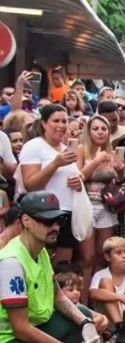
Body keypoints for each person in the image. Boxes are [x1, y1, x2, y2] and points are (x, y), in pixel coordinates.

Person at [0, 192, 108, 343]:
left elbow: (58, 297)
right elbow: (21, 329)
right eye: (46, 221)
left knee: (82, 314)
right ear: (26, 221)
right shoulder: (12, 263)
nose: (55, 227)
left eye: (58, 220)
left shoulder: (39, 251)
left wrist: (85, 323)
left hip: (30, 329)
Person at [18, 103, 93, 282]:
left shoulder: (65, 148)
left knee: (62, 268)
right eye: (56, 121)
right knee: (41, 264)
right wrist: (55, 164)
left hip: (67, 213)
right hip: (43, 214)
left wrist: (78, 182)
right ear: (44, 123)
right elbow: (31, 185)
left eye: (64, 121)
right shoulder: (33, 146)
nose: (61, 125)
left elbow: (67, 181)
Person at [77, 115, 122, 268]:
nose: (100, 132)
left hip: (107, 208)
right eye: (95, 129)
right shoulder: (81, 150)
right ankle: (84, 292)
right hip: (86, 206)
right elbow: (78, 177)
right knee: (87, 258)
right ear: (89, 132)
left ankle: (98, 290)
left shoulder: (112, 152)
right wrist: (96, 161)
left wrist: (120, 171)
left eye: (104, 129)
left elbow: (120, 182)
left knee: (103, 256)